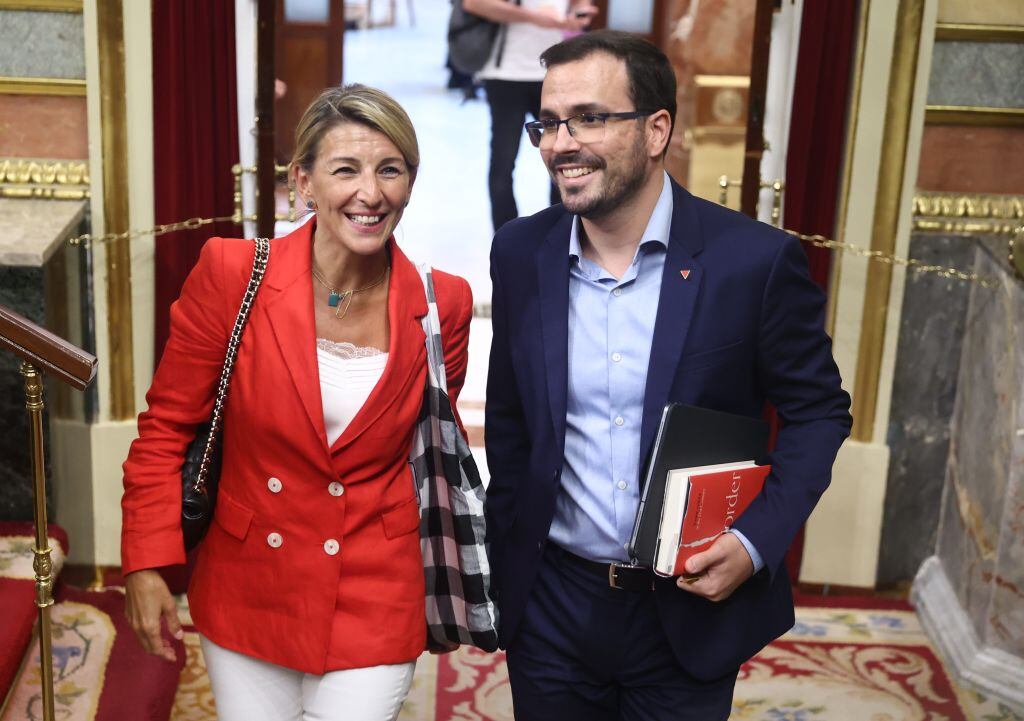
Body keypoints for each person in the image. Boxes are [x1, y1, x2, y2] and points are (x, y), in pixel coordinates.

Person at [484, 30, 852, 720]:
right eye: (549, 122)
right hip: (553, 604)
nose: (561, 143)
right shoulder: (519, 252)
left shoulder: (753, 263)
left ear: (657, 130)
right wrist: (510, 560)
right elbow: (509, 416)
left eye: (590, 118)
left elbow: (819, 412)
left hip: (685, 610)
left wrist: (753, 543)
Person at [121, 84, 474, 721]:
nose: (371, 192)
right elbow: (166, 427)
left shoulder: (443, 301)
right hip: (250, 580)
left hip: (377, 582)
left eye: (390, 169)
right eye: (346, 169)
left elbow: (429, 451)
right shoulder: (233, 274)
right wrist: (146, 563)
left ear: (410, 183)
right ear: (302, 182)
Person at [463, 0, 596, 231]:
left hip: (554, 72)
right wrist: (536, 18)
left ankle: (564, 232)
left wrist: (579, 12)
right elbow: (474, 4)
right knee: (503, 162)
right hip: (505, 73)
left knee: (566, 154)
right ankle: (508, 237)